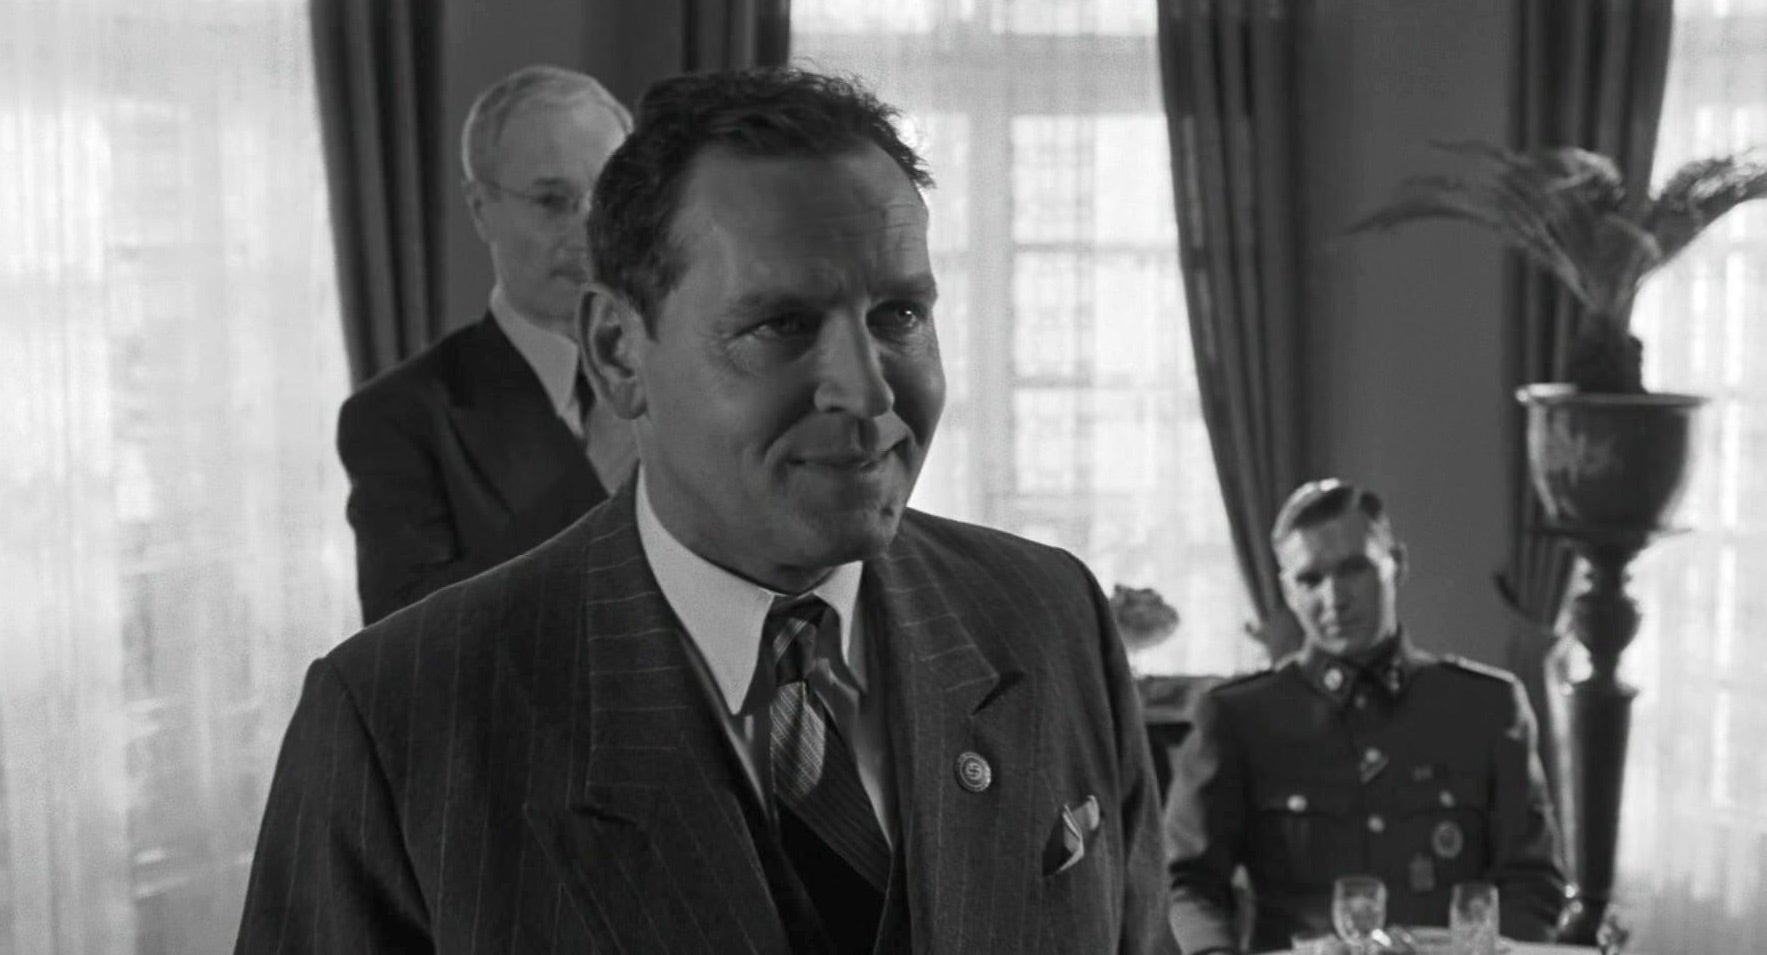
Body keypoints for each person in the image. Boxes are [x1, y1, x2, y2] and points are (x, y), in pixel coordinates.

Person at [236, 67, 1173, 954]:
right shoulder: (395, 723)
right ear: (618, 351)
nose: (868, 393)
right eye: (782, 324)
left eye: (898, 315)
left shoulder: (1049, 616)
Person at [1163, 479, 1567, 954]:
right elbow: (1186, 884)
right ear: (1287, 591)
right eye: (1310, 579)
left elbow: (1532, 883)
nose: (1334, 598)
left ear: (1397, 565)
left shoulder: (1486, 707)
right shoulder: (1239, 717)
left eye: (1353, 569)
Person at [336, 64, 638, 625]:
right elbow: (408, 647)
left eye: (608, 198)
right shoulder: (396, 418)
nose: (589, 232)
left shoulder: (684, 376)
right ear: (480, 210)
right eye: (553, 201)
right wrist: (595, 479)